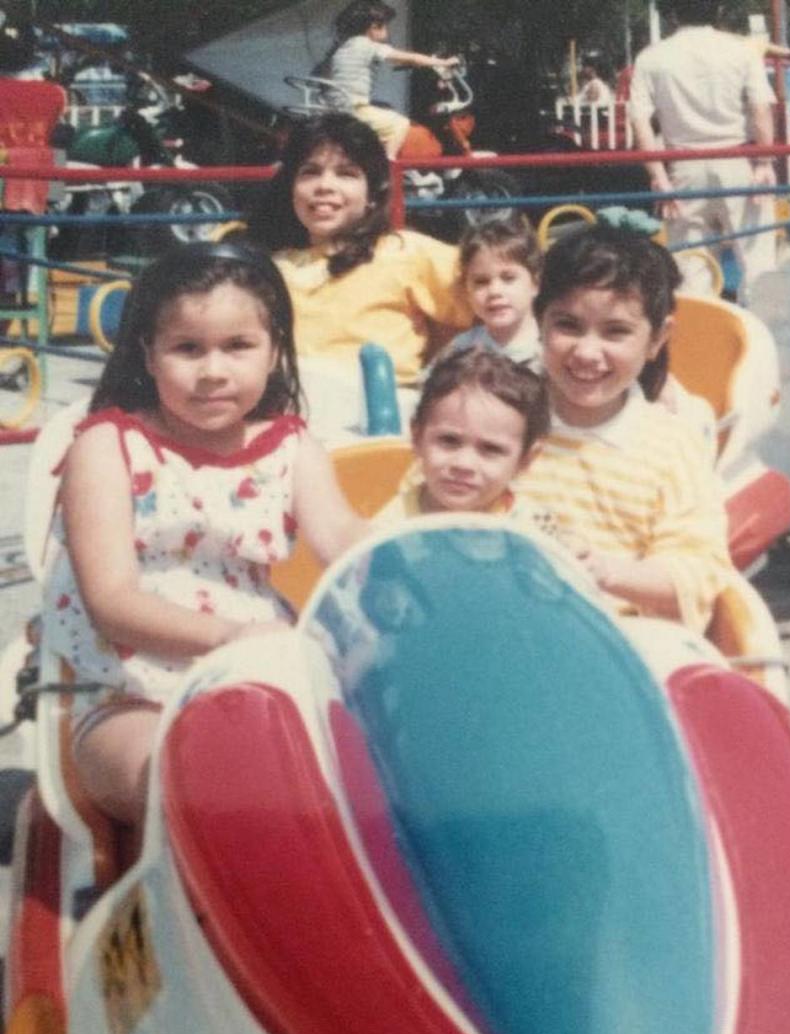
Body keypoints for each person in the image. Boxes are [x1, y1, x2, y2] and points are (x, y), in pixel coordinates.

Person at [42, 241, 367, 839]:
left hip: (259, 684)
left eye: (238, 346)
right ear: (149, 353)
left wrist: (410, 554)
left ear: (273, 351)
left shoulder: (291, 447)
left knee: (368, 777)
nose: (213, 370)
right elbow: (113, 601)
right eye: (187, 348)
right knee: (197, 786)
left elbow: (343, 535)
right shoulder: (107, 446)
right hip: (128, 695)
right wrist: (232, 637)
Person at [516, 223, 731, 633]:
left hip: (617, 643)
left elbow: (697, 572)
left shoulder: (670, 448)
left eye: (616, 332)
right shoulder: (501, 418)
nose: (587, 352)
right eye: (568, 325)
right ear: (540, 321)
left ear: (656, 340)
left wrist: (604, 571)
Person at [247, 112, 472, 436]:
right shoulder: (267, 269)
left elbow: (498, 303)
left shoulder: (405, 252)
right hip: (290, 427)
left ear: (372, 194)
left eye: (346, 173)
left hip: (378, 424)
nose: (325, 186)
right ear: (291, 189)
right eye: (310, 172)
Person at [628, 0, 777, 302]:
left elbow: (639, 121)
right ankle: (763, 339)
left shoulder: (651, 59)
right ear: (719, 10)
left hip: (683, 168)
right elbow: (760, 110)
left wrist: (659, 177)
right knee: (758, 264)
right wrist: (763, 161)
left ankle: (700, 343)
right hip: (737, 163)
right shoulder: (741, 51)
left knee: (691, 272)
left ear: (671, 14)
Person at [376, 346, 552, 526]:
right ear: (417, 437)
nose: (463, 464)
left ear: (526, 459)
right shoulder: (390, 523)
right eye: (449, 440)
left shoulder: (531, 527)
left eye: (491, 449)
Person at [316, 0, 459, 158]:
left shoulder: (343, 47)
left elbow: (321, 72)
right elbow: (409, 57)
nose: (387, 31)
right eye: (385, 25)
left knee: (383, 111)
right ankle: (388, 167)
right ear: (373, 27)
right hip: (353, 109)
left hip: (334, 107)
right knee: (400, 124)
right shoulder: (368, 45)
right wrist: (443, 62)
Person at [435, 215, 542, 370]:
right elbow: (430, 390)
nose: (494, 291)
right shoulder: (460, 351)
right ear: (466, 291)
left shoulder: (551, 348)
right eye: (481, 282)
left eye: (508, 278)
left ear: (535, 283)